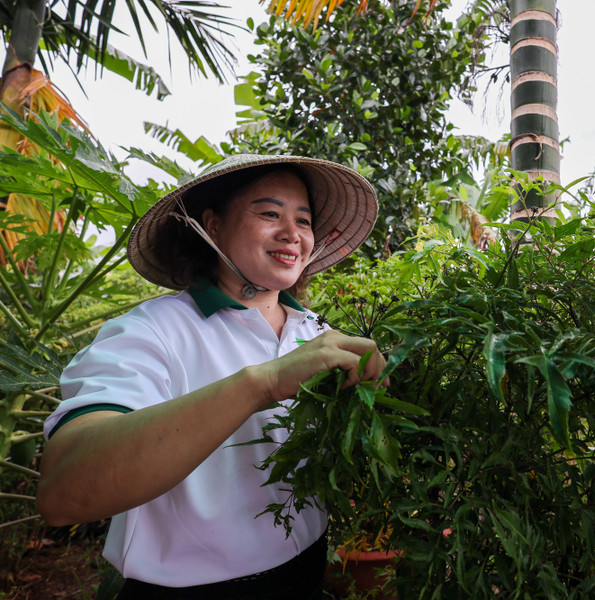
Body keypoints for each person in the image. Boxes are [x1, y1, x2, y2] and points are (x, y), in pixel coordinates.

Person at [36, 154, 387, 599]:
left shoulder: (315, 332)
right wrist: (262, 383)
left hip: (306, 575)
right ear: (212, 225)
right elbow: (65, 491)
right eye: (269, 213)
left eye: (303, 219)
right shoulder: (152, 331)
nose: (291, 233)